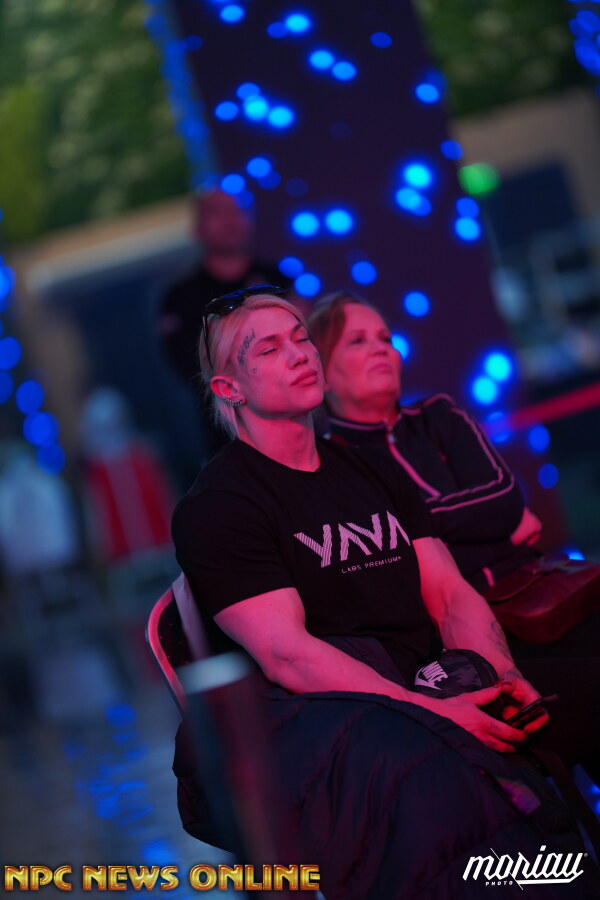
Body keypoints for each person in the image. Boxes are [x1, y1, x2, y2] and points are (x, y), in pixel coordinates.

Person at [171, 289, 599, 899]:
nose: (299, 354)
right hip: (343, 713)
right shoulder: (219, 506)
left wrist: (497, 675)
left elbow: (447, 592)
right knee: (439, 789)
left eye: (301, 338)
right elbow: (288, 655)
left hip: (433, 675)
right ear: (229, 389)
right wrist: (433, 713)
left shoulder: (367, 467)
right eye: (268, 349)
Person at [308, 290, 600, 781]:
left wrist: (418, 525)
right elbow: (396, 564)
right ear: (323, 373)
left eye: (384, 337)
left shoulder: (438, 416)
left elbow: (504, 497)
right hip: (467, 639)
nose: (381, 348)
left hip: (538, 595)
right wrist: (498, 532)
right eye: (357, 341)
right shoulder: (333, 468)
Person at [158, 189, 291, 459]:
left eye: (236, 210)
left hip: (295, 422)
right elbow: (193, 371)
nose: (230, 220)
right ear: (197, 228)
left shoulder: (277, 280)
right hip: (230, 442)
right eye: (217, 212)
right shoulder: (181, 298)